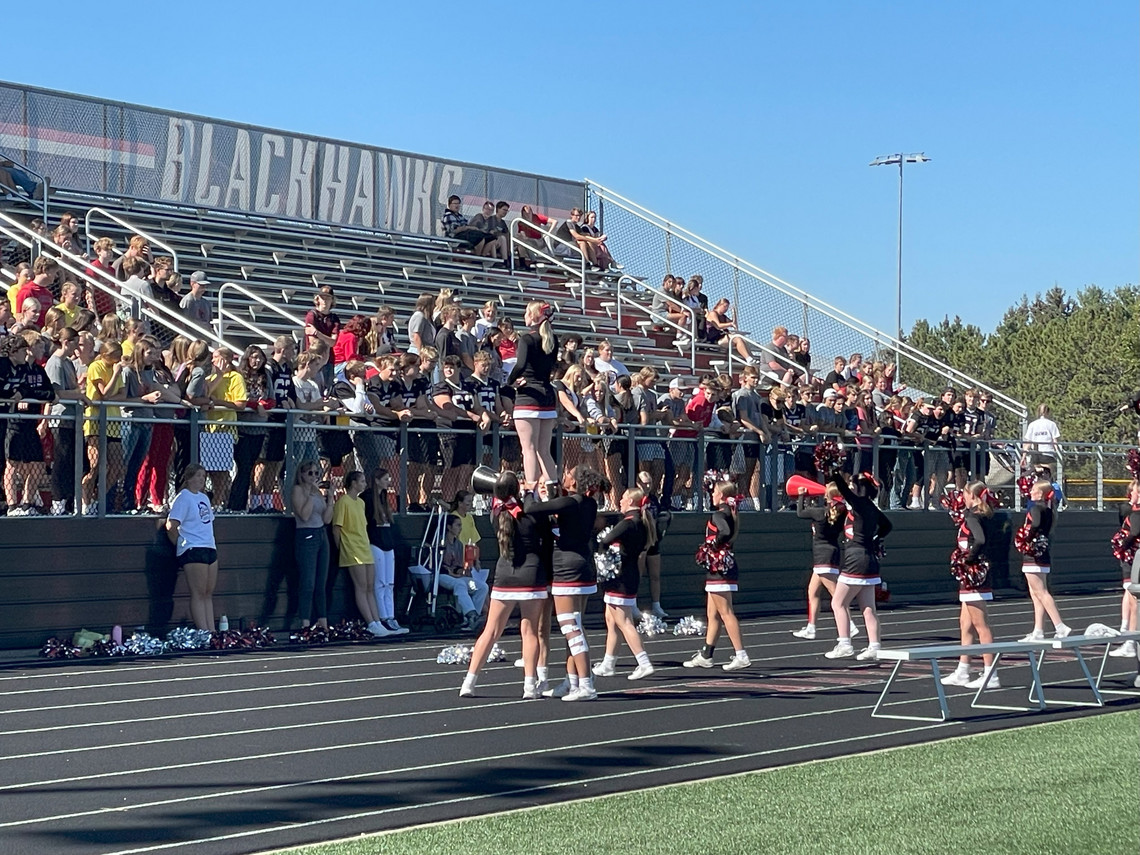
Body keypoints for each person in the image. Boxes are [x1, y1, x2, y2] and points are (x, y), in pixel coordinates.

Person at [460, 472, 549, 699]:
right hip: (531, 574)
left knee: (490, 632)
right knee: (529, 631)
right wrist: (531, 493)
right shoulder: (530, 512)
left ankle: (469, 683)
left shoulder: (496, 514)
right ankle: (530, 686)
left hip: (504, 574)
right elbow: (542, 524)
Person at [526, 464, 610, 701]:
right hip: (584, 566)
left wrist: (528, 490)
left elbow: (534, 509)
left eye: (567, 475)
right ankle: (573, 681)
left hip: (567, 569)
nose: (563, 477)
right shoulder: (588, 503)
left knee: (570, 628)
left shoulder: (571, 502)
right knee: (576, 626)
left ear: (575, 482)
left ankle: (586, 685)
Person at [684, 477, 751, 671]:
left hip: (719, 569)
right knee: (712, 614)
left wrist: (712, 545)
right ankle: (707, 654)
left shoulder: (719, 514)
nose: (712, 495)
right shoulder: (729, 512)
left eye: (714, 492)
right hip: (720, 568)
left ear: (721, 495)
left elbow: (725, 531)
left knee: (726, 612)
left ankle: (741, 655)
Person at [824, 472, 893, 661]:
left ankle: (845, 643)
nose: (850, 487)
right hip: (869, 559)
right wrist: (874, 539)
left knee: (838, 603)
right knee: (868, 607)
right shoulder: (870, 506)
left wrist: (834, 472)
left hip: (856, 559)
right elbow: (887, 526)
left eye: (853, 484)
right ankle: (874, 646)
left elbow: (844, 490)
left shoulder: (860, 503)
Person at [940, 483, 1002, 689]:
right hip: (974, 575)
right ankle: (963, 670)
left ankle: (991, 674)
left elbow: (980, 540)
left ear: (972, 495)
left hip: (974, 574)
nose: (962, 498)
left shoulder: (973, 516)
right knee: (964, 624)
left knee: (980, 625)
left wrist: (969, 560)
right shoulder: (983, 514)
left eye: (965, 494)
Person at [592, 487, 656, 681]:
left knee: (623, 621)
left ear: (630, 501)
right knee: (611, 620)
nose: (620, 501)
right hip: (629, 574)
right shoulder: (642, 522)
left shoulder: (628, 523)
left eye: (623, 498)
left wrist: (605, 558)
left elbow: (605, 540)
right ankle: (608, 663)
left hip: (620, 577)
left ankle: (644, 662)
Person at [791, 483, 861, 641]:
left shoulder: (820, 513)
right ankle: (811, 627)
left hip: (823, 556)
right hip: (829, 553)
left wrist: (802, 495)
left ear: (827, 496)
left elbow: (800, 512)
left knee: (837, 595)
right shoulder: (840, 512)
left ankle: (850, 625)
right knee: (812, 592)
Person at [507, 301, 558, 487]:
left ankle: (531, 491)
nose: (524, 316)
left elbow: (520, 366)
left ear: (534, 316)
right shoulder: (553, 339)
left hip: (528, 397)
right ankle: (552, 489)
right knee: (544, 450)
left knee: (528, 449)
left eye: (527, 312)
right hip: (547, 397)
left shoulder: (526, 339)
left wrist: (509, 382)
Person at [332, 470, 388, 637]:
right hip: (352, 548)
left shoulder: (361, 503)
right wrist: (341, 549)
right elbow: (337, 529)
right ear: (353, 483)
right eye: (361, 481)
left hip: (364, 547)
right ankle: (370, 623)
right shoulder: (343, 502)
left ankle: (378, 622)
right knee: (361, 586)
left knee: (370, 586)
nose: (364, 484)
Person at [1016, 479, 1071, 641]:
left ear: (1040, 493)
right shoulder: (1048, 510)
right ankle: (1038, 630)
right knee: (1036, 593)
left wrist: (1026, 538)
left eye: (1033, 490)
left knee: (1041, 592)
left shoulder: (1036, 508)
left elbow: (1035, 524)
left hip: (1033, 555)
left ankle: (1060, 626)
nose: (1030, 492)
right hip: (1042, 553)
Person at [166, 464, 219, 631]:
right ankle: (203, 631)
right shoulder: (183, 497)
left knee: (208, 593)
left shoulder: (204, 498)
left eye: (203, 476)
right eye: (197, 476)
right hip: (193, 548)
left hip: (209, 546)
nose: (201, 480)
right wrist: (182, 544)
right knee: (198, 592)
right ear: (188, 478)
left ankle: (212, 631)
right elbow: (171, 526)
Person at [363, 468, 408, 635]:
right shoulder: (367, 498)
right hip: (376, 543)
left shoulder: (384, 498)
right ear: (376, 480)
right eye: (385, 479)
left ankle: (391, 616)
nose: (388, 481)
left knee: (390, 583)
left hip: (388, 543)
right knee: (380, 582)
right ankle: (382, 617)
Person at [291, 461, 333, 630]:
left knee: (321, 582)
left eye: (317, 473)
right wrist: (309, 495)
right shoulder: (298, 490)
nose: (314, 477)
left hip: (321, 534)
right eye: (310, 473)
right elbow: (305, 515)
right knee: (308, 582)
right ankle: (305, 622)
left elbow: (327, 519)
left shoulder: (317, 492)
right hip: (306, 534)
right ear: (301, 475)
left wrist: (330, 500)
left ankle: (323, 621)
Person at [438, 513, 490, 631]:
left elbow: (458, 566)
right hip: (442, 576)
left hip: (456, 576)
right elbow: (439, 565)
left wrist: (462, 571)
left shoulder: (459, 544)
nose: (460, 528)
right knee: (459, 584)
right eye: (457, 525)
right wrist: (452, 573)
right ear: (449, 527)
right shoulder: (441, 542)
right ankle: (471, 615)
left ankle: (471, 621)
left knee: (481, 586)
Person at [1109, 480, 1140, 658]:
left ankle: (1130, 640)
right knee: (1130, 594)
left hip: (1134, 558)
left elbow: (1134, 532)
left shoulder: (1135, 514)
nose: (1131, 495)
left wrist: (1123, 546)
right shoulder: (1129, 510)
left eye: (1134, 492)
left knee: (1133, 597)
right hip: (1134, 558)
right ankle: (1127, 632)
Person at [1022, 404, 1061, 471]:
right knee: (1049, 474)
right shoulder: (1052, 424)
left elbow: (1028, 443)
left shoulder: (1032, 424)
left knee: (1037, 473)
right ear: (1048, 412)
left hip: (1035, 455)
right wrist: (1058, 453)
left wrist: (1023, 457)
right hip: (1048, 454)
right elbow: (1055, 441)